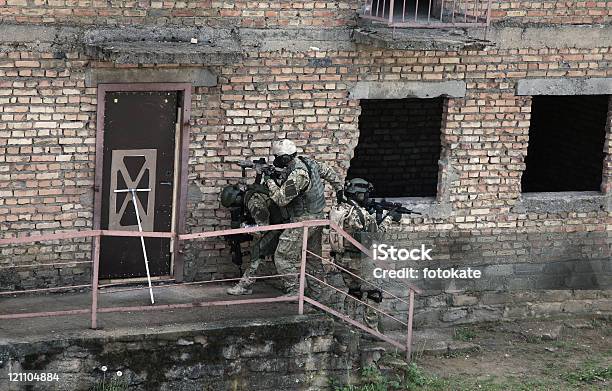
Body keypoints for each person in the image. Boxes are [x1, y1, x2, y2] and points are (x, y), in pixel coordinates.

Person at [264, 139, 343, 297]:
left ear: (285, 158)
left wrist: (269, 181)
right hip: (317, 219)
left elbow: (281, 199)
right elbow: (329, 172)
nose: (275, 160)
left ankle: (294, 292)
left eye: (277, 157)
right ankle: (318, 294)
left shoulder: (298, 174)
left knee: (282, 256)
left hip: (304, 221)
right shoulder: (308, 162)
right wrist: (339, 189)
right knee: (312, 258)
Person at [329, 178, 401, 332]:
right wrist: (389, 219)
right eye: (366, 194)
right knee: (374, 292)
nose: (367, 197)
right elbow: (375, 239)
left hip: (341, 258)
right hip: (357, 260)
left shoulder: (339, 208)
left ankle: (348, 324)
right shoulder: (360, 214)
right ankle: (371, 329)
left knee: (354, 290)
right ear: (359, 195)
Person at [220, 183, 287, 295]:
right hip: (277, 225)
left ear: (238, 198)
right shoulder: (250, 194)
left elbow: (263, 228)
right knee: (277, 258)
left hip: (278, 227)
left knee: (258, 252)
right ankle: (293, 287)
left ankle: (245, 286)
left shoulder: (253, 201)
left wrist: (245, 228)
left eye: (234, 205)